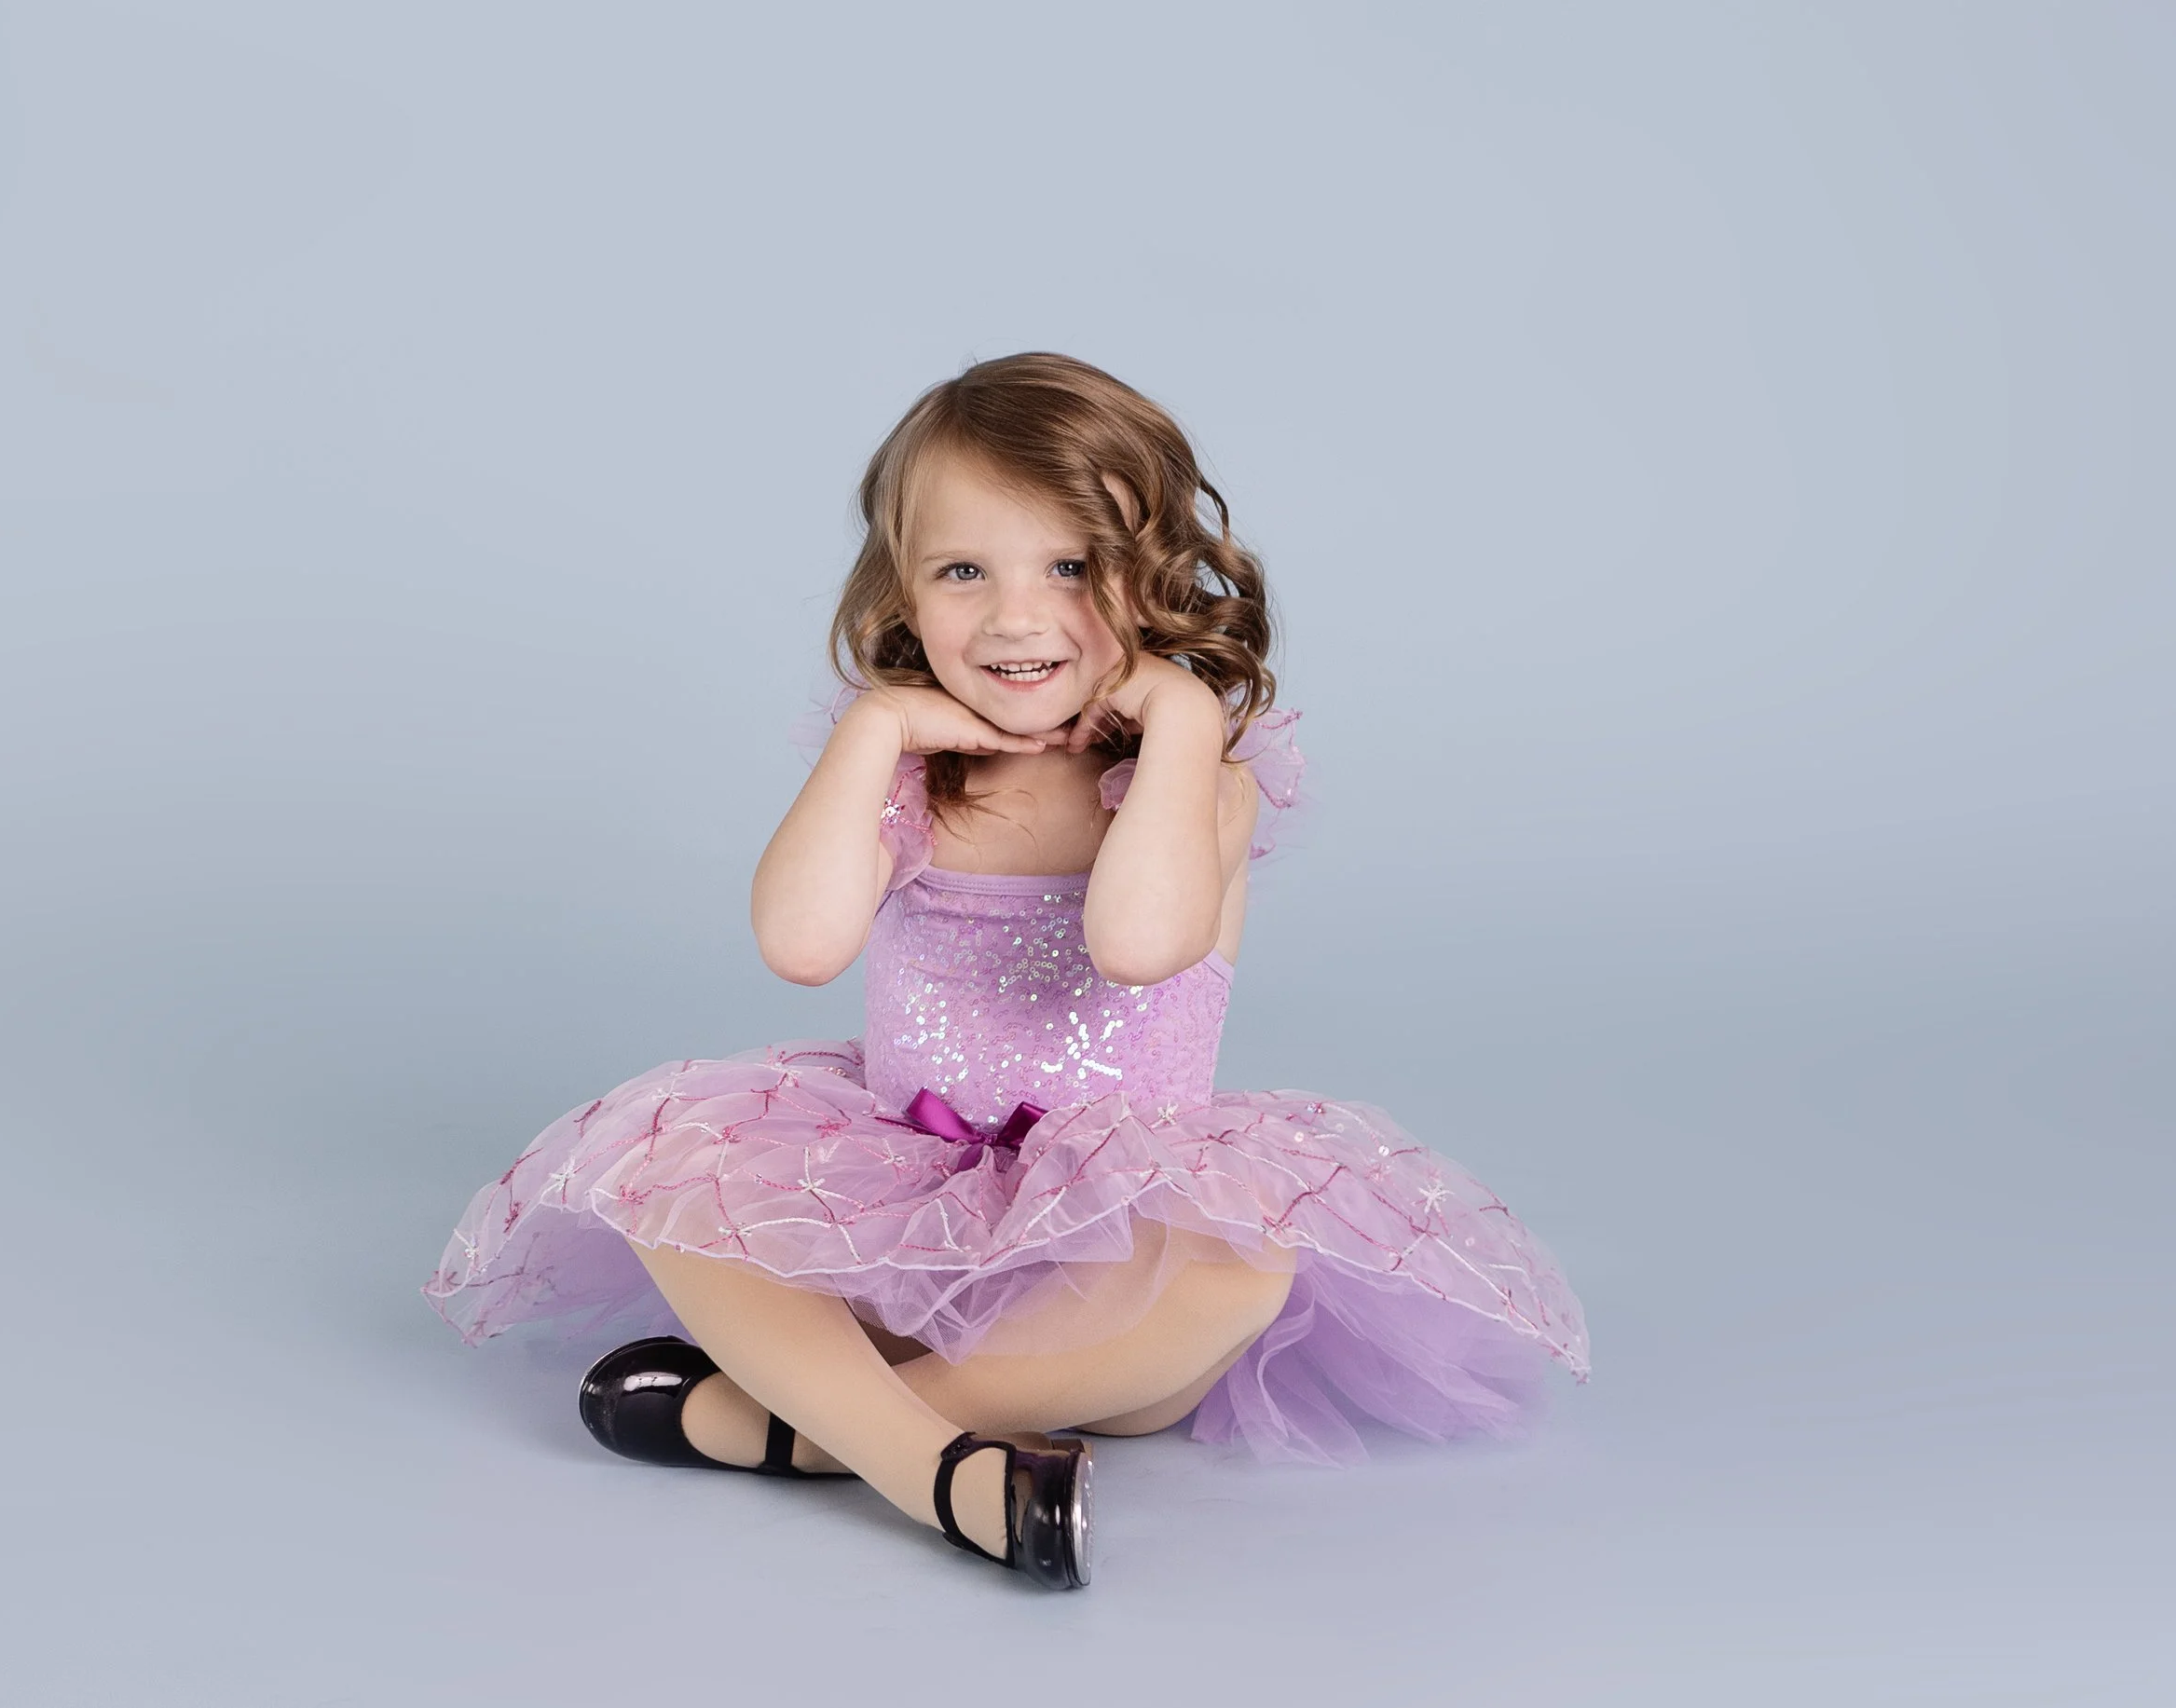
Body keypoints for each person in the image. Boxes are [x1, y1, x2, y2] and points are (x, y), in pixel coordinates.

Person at [425, 353, 1588, 1589]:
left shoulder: (1199, 780)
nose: (1016, 618)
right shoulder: (912, 775)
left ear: (1154, 579)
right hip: (899, 1230)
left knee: (1242, 1266)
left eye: (1072, 568)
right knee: (669, 1173)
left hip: (1111, 1262)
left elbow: (1138, 944)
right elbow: (799, 946)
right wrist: (874, 729)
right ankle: (947, 1476)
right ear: (901, 590)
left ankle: (808, 1430)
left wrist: (1186, 720)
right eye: (963, 571)